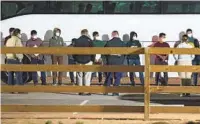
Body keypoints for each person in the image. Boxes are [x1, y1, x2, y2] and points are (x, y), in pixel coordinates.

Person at [73, 29, 95, 95]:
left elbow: (73, 52)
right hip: (88, 60)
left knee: (79, 75)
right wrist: (92, 60)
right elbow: (93, 51)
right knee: (87, 76)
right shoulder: (90, 40)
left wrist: (76, 59)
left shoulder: (77, 41)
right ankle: (86, 90)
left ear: (81, 33)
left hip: (79, 60)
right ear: (87, 33)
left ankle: (80, 91)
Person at [104, 31, 125, 96]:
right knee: (117, 76)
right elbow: (124, 53)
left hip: (110, 61)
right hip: (119, 61)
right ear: (118, 34)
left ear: (112, 35)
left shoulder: (108, 42)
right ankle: (115, 92)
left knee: (109, 75)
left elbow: (104, 52)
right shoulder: (122, 43)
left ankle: (106, 90)